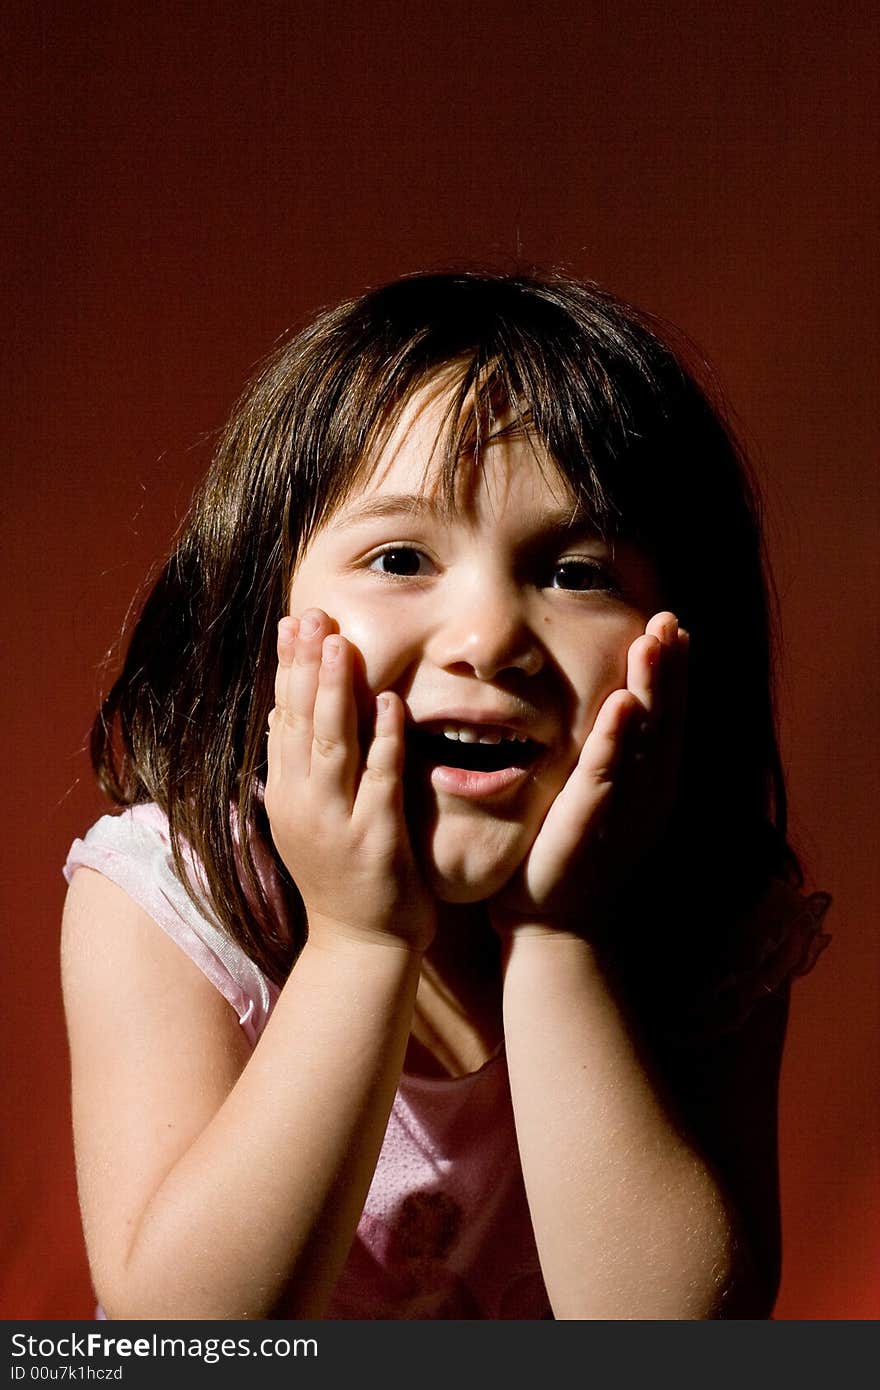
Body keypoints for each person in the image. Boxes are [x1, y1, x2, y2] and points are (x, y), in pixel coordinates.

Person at [60, 270, 831, 1321]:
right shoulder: (163, 898)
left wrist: (562, 940)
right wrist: (357, 942)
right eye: (399, 556)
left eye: (574, 572)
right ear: (258, 622)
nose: (489, 639)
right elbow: (180, 1340)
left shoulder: (715, 919)